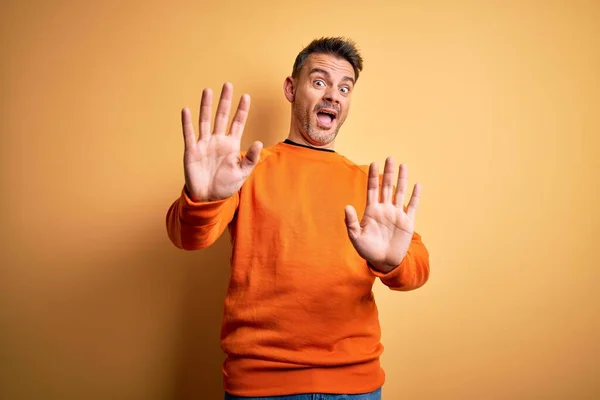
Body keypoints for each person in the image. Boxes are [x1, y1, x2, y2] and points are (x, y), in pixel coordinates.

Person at [166, 37, 430, 400]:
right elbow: (187, 237)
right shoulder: (243, 170)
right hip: (261, 385)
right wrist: (203, 198)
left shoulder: (370, 185)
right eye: (319, 82)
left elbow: (418, 267)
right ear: (292, 88)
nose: (333, 95)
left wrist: (391, 262)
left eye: (344, 88)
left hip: (357, 387)